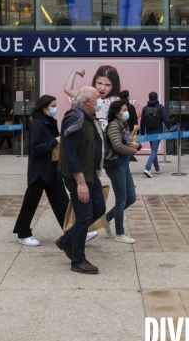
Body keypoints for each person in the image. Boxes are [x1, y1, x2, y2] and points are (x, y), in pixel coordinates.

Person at [55, 86, 106, 275]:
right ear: (88, 101)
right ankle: (77, 260)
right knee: (84, 216)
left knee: (99, 209)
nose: (100, 100)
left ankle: (67, 239)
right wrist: (81, 184)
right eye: (97, 97)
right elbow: (70, 154)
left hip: (91, 174)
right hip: (79, 177)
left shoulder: (88, 118)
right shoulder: (74, 119)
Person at [13, 95, 70, 246]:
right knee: (31, 202)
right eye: (52, 105)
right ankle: (23, 234)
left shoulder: (51, 122)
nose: (55, 108)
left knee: (62, 201)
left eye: (55, 105)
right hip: (39, 170)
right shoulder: (38, 124)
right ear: (44, 107)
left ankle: (73, 231)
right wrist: (55, 141)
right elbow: (35, 148)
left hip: (52, 168)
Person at [104, 100, 140, 243]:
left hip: (124, 164)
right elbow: (117, 146)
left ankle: (106, 218)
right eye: (124, 110)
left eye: (127, 109)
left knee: (131, 197)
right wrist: (134, 150)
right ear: (116, 112)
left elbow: (129, 143)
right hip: (115, 165)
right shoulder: (114, 125)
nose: (127, 112)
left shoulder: (123, 125)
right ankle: (120, 233)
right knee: (121, 199)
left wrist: (137, 145)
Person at [64, 65, 139, 131]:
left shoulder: (116, 100)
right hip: (92, 135)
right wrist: (75, 71)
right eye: (99, 83)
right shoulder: (88, 95)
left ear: (113, 86)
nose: (102, 88)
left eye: (107, 85)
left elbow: (139, 108)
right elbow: (68, 89)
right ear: (95, 81)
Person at [140, 92, 172, 178]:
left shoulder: (145, 108)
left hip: (149, 132)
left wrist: (143, 134)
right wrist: (169, 128)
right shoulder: (160, 107)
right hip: (157, 131)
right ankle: (147, 168)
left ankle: (157, 169)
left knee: (153, 150)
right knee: (154, 150)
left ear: (149, 97)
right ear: (157, 97)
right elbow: (166, 119)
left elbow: (142, 122)